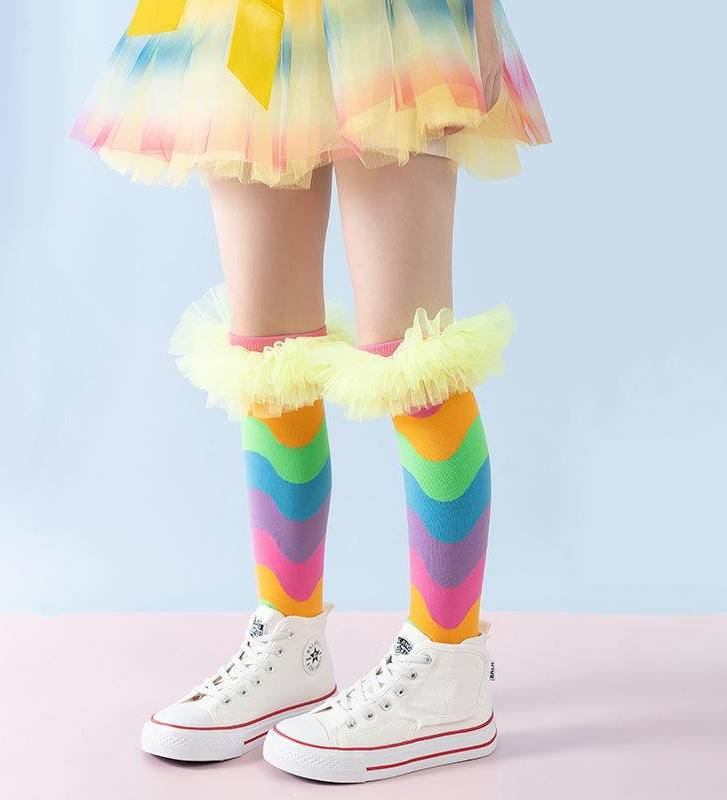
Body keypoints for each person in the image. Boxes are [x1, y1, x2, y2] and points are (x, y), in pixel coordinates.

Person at [72, 0, 549, 782]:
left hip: (387, 19)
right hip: (244, 20)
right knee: (266, 352)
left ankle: (449, 662)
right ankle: (291, 645)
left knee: (413, 354)